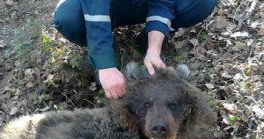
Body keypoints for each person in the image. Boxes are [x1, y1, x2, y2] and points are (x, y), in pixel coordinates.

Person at [53, 0, 217, 99]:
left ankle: (146, 42)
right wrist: (105, 64)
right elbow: (95, 7)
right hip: (99, 6)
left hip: (138, 4)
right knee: (68, 19)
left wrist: (154, 49)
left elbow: (162, 2)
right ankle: (111, 53)